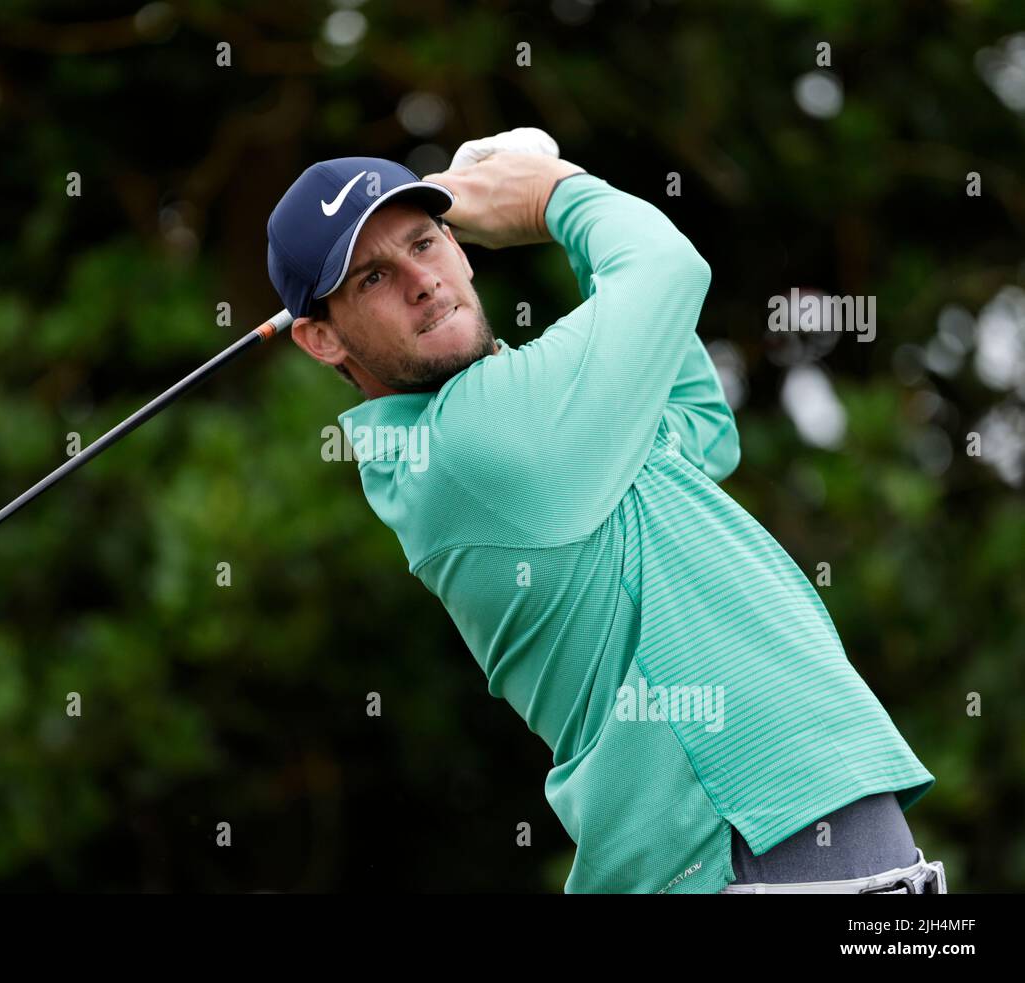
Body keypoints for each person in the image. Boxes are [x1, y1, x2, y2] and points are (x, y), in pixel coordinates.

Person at [265, 143, 945, 894]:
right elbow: (666, 269)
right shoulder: (468, 441)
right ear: (321, 336)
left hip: (772, 847)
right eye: (373, 277)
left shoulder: (545, 423)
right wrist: (552, 193)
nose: (421, 282)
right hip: (742, 846)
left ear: (457, 245)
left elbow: (698, 424)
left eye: (423, 242)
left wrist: (558, 209)